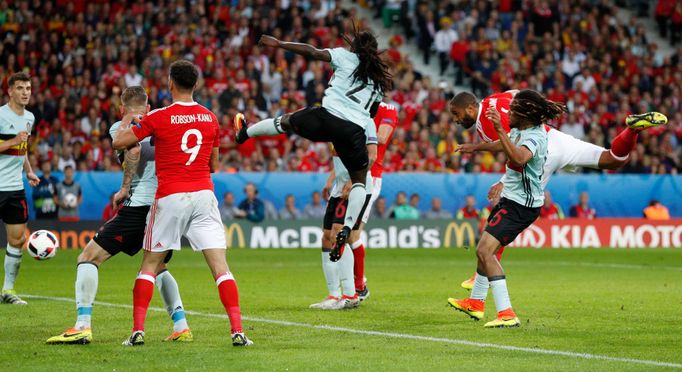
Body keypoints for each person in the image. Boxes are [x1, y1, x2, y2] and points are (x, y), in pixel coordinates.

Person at [450, 90, 667, 288]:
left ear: (470, 108)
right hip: (555, 137)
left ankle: (482, 275)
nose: (456, 120)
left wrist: (503, 181)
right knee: (611, 159)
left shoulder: (486, 123)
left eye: (456, 114)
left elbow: (518, 152)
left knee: (509, 201)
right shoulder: (493, 99)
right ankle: (631, 130)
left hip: (540, 150)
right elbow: (517, 93)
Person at [112, 60, 252, 346]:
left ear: (170, 84)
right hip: (203, 194)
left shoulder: (160, 117)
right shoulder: (210, 117)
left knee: (150, 265)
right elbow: (214, 164)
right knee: (221, 268)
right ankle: (237, 331)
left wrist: (129, 122)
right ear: (196, 85)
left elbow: (119, 143)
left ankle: (138, 331)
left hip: (170, 196)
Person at [47, 86, 191, 345]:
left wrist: (124, 188)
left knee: (88, 257)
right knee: (157, 265)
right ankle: (181, 325)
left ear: (122, 109)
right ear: (147, 108)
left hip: (139, 206)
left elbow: (133, 151)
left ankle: (82, 325)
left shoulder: (120, 128)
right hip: (166, 206)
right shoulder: (162, 122)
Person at [234, 27, 392, 262]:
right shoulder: (379, 82)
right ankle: (348, 227)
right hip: (353, 131)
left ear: (354, 46)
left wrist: (279, 43)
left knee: (285, 121)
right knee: (360, 179)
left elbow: (313, 52)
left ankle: (245, 133)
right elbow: (372, 112)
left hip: (326, 118)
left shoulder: (344, 56)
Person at [448, 89, 556, 328]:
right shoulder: (521, 131)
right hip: (512, 199)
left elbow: (518, 157)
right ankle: (476, 303)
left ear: (524, 115)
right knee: (482, 250)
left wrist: (498, 128)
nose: (509, 113)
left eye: (514, 109)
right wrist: (476, 148)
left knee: (486, 251)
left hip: (522, 205)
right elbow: (504, 145)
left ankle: (507, 313)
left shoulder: (535, 137)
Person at [0, 72, 40, 305]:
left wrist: (29, 171)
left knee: (16, 240)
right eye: (20, 88)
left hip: (15, 188)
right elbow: (16, 142)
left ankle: (8, 290)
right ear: (10, 91)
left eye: (28, 88)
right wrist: (12, 141)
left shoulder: (30, 117)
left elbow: (22, 148)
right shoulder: (1, 116)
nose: (26, 92)